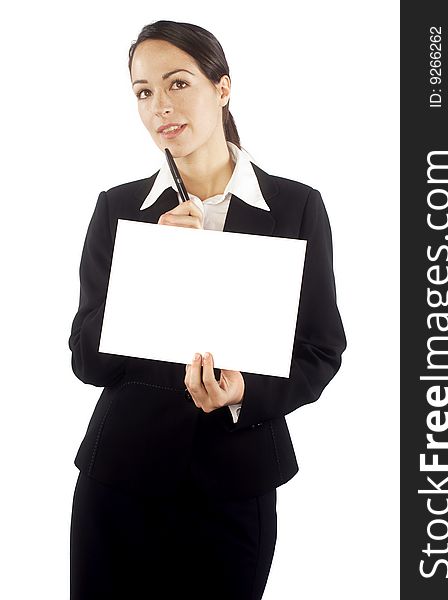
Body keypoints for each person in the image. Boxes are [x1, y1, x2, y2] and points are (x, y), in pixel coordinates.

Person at [68, 19, 347, 600]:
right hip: (121, 481)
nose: (159, 107)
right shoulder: (119, 208)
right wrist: (155, 269)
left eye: (177, 84)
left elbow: (320, 349)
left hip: (236, 484)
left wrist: (243, 390)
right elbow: (88, 361)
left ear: (222, 87)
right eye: (144, 93)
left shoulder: (295, 206)